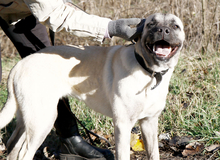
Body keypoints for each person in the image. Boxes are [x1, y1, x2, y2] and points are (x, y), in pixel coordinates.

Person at [0, 0, 144, 159]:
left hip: (20, 9)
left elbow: (58, 6)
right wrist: (110, 27)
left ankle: (69, 141)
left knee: (46, 64)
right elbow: (58, 14)